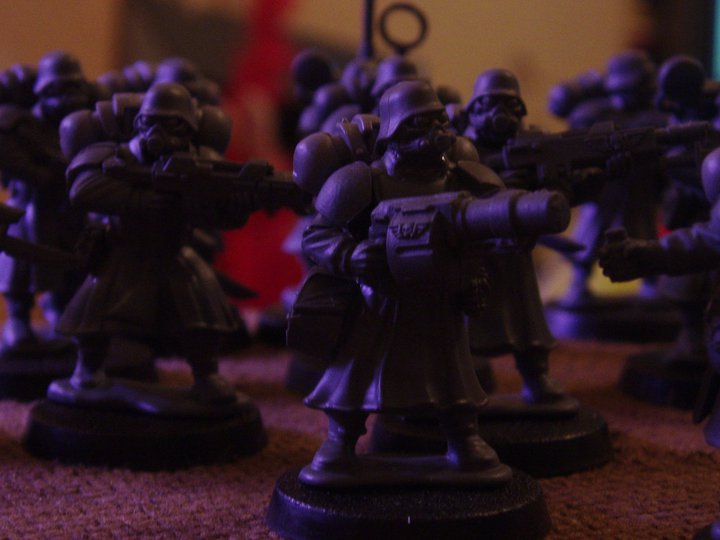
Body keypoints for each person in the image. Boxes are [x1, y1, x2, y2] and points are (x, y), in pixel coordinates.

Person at [296, 80, 523, 486]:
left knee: (451, 370)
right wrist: (349, 255)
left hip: (441, 295)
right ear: (394, 129)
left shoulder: (462, 178)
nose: (434, 133)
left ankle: (463, 439)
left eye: (439, 122)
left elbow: (493, 226)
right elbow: (316, 235)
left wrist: (478, 266)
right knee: (358, 373)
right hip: (380, 296)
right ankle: (340, 441)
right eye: (420, 123)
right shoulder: (361, 180)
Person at [55, 82, 256, 401]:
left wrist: (236, 205)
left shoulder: (203, 162)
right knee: (93, 317)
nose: (160, 132)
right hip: (124, 249)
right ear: (138, 122)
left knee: (204, 318)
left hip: (175, 251)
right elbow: (83, 189)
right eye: (152, 121)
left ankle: (206, 374)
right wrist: (137, 199)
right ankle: (87, 370)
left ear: (191, 128)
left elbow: (222, 216)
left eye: (173, 124)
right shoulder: (116, 155)